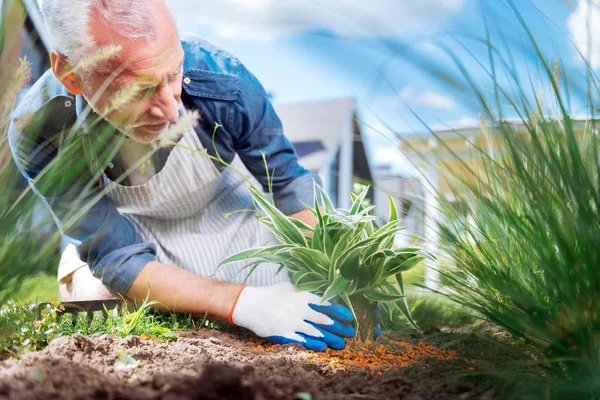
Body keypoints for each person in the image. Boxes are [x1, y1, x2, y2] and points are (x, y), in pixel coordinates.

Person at [8, 0, 358, 351]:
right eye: (142, 89)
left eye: (174, 73)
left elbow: (288, 184)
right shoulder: (41, 130)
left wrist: (333, 275)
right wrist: (244, 304)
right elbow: (116, 256)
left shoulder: (224, 80)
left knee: (290, 288)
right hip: (134, 235)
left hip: (233, 223)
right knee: (94, 299)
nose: (172, 110)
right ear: (70, 74)